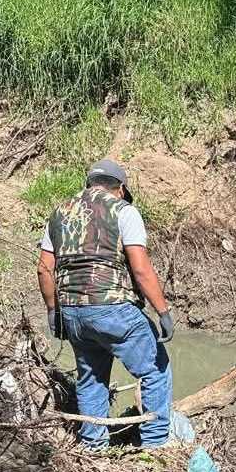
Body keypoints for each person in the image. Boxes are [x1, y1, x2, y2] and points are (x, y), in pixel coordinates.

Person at [37, 158, 176, 450]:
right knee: (155, 369)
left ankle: (93, 448)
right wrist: (162, 311)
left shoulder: (59, 213)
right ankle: (154, 446)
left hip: (73, 312)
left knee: (91, 379)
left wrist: (53, 311)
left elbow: (44, 269)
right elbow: (140, 269)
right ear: (121, 189)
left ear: (89, 184)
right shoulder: (124, 211)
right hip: (113, 307)